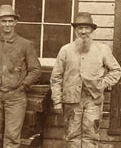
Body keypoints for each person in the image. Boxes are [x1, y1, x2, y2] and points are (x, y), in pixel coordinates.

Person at [50, 12, 121, 148]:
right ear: (75, 30)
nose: (83, 32)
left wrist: (102, 84)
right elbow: (56, 77)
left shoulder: (102, 49)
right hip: (71, 100)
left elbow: (116, 70)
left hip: (93, 100)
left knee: (91, 137)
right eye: (80, 28)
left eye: (87, 28)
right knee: (72, 136)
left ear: (92, 30)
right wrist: (57, 101)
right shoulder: (65, 50)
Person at [0, 5, 41, 148]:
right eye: (4, 21)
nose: (7, 24)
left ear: (15, 23)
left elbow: (35, 70)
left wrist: (23, 86)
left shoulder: (25, 45)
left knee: (12, 138)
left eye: (10, 21)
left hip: (16, 97)